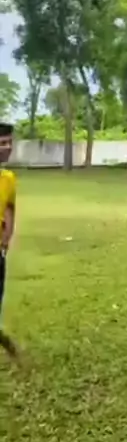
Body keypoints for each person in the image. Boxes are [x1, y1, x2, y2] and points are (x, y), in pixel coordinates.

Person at [0, 123, 18, 359]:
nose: (8, 147)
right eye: (2, 143)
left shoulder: (8, 178)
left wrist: (6, 239)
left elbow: (10, 208)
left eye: (10, 142)